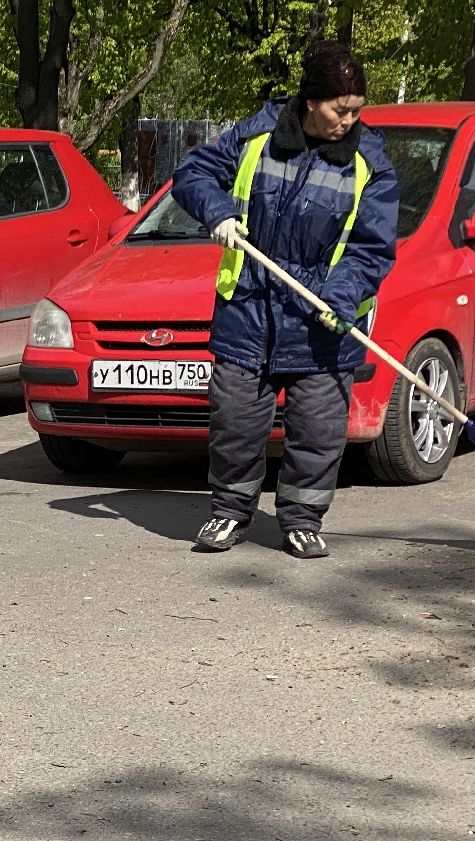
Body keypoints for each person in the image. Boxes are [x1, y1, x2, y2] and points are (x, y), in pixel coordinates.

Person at [169, 41, 397, 559]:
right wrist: (218, 212)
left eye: (357, 110)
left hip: (322, 323)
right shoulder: (257, 136)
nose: (350, 120)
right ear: (311, 102)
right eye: (341, 109)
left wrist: (340, 296)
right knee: (235, 423)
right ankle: (230, 511)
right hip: (248, 311)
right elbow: (192, 174)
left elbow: (372, 249)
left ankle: (303, 519)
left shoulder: (371, 164)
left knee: (318, 430)